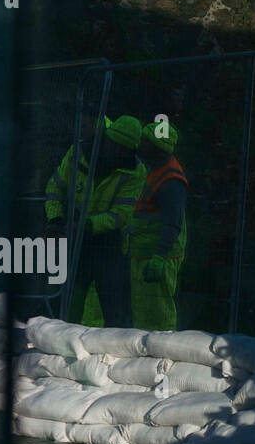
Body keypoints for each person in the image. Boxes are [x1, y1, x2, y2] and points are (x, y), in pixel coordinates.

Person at [46, 114, 145, 327]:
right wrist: (55, 219)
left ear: (130, 151)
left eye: (122, 148)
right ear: (107, 139)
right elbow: (55, 188)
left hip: (108, 244)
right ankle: (61, 336)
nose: (116, 151)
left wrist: (85, 226)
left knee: (111, 306)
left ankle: (107, 348)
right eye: (113, 144)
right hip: (75, 240)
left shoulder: (135, 172)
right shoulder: (79, 153)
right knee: (69, 297)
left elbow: (121, 214)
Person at [129, 120, 188, 331]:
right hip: (145, 254)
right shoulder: (153, 169)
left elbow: (173, 222)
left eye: (145, 141)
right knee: (145, 310)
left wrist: (160, 256)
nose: (140, 144)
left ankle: (163, 350)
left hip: (158, 257)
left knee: (159, 312)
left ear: (156, 147)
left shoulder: (171, 180)